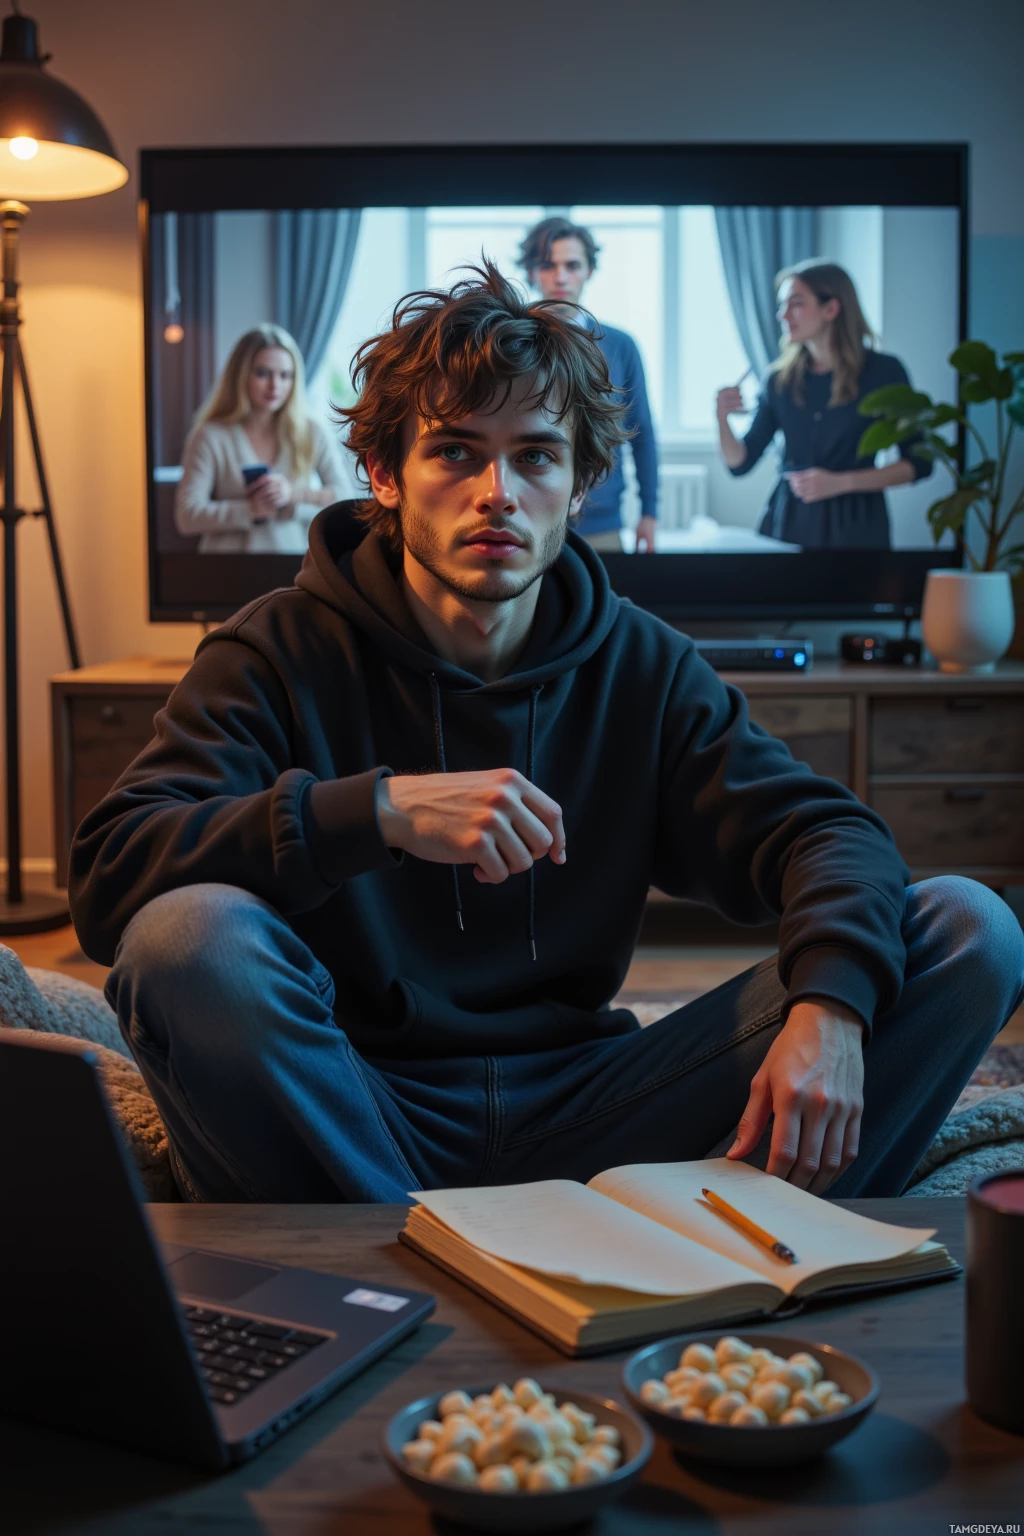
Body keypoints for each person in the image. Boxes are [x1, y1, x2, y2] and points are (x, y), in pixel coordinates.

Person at [71, 264, 1023, 1207]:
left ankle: (756, 1254)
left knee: (967, 930)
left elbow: (828, 834)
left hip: (596, 1105)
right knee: (187, 936)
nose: (497, 491)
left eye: (535, 455)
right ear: (384, 476)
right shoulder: (273, 649)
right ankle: (402, 1266)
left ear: (578, 487)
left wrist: (833, 1006)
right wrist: (376, 810)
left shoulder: (641, 665)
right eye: (453, 451)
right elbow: (115, 871)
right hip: (354, 1102)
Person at [716, 260, 932, 549]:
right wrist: (722, 419)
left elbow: (920, 463)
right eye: (783, 305)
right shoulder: (778, 380)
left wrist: (841, 483)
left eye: (796, 304)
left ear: (831, 309)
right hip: (788, 526)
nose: (783, 315)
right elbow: (740, 463)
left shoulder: (885, 372)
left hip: (858, 532)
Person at [518, 216, 658, 552]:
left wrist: (650, 513)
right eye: (548, 265)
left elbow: (642, 432)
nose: (561, 276)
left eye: (572, 264)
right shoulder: (508, 340)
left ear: (589, 270)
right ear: (532, 271)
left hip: (601, 524)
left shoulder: (620, 345)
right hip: (525, 516)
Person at [175, 324, 345, 554]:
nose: (275, 385)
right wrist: (249, 510)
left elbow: (346, 500)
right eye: (263, 373)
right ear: (241, 376)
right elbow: (187, 516)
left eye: (285, 375)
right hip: (224, 571)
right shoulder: (210, 435)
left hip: (295, 569)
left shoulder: (312, 432)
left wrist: (293, 498)